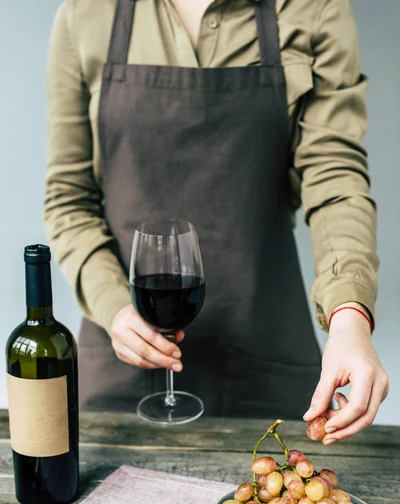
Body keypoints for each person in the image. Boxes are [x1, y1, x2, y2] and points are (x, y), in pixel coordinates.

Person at [44, 0, 389, 441]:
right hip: (124, 359)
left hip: (264, 358)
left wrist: (350, 318)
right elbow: (68, 198)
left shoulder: (315, 8)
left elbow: (334, 176)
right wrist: (113, 306)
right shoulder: (86, 13)